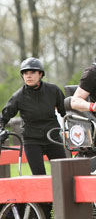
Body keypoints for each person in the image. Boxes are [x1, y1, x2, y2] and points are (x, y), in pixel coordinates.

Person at [0, 57, 67, 219]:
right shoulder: (18, 96)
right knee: (40, 179)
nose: (28, 76)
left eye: (32, 72)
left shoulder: (53, 90)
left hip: (53, 137)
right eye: (25, 73)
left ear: (40, 74)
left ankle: (65, 209)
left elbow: (65, 112)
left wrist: (70, 128)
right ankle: (45, 213)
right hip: (32, 140)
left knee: (64, 174)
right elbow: (4, 116)